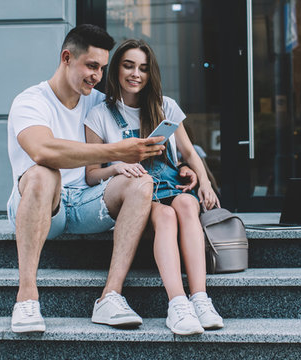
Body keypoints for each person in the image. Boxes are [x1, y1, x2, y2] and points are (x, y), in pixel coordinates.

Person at [6, 25, 168, 333]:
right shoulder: (31, 101)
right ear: (67, 57)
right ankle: (26, 298)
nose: (97, 75)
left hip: (85, 202)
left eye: (102, 68)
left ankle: (110, 296)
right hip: (43, 202)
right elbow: (42, 150)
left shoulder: (98, 102)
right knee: (43, 172)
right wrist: (117, 150)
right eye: (91, 66)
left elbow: (142, 106)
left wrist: (185, 163)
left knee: (141, 184)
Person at [84, 39, 224, 335]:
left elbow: (188, 151)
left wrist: (206, 183)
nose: (136, 74)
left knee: (186, 205)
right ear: (116, 69)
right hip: (137, 197)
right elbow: (91, 175)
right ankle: (177, 304)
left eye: (143, 68)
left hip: (172, 187)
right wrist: (117, 166)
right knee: (166, 215)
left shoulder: (165, 106)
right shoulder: (99, 114)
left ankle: (200, 298)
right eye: (129, 66)